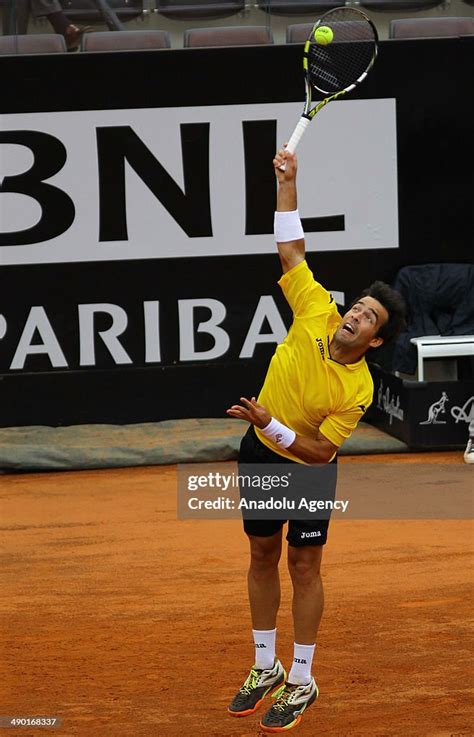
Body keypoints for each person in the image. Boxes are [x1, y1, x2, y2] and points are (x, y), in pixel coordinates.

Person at [226, 147, 407, 733]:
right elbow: (290, 249)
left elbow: (321, 453)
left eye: (369, 317)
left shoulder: (357, 389)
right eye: (357, 306)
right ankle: (264, 666)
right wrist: (288, 181)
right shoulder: (314, 312)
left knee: (304, 564)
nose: (355, 315)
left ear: (376, 341)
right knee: (260, 554)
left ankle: (302, 679)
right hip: (259, 455)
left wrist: (269, 425)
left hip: (303, 467)